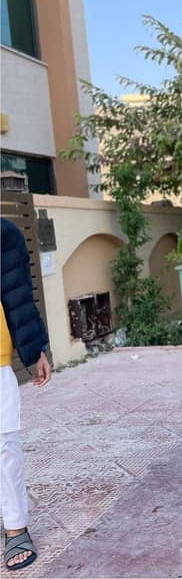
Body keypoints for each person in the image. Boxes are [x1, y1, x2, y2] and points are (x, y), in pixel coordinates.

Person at [1, 218, 51, 572]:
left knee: (5, 446)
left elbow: (18, 296)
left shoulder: (4, 234)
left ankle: (15, 525)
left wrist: (35, 352)